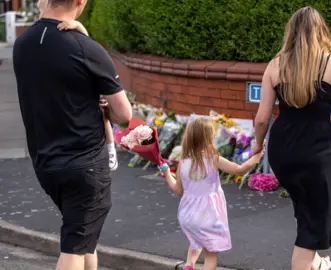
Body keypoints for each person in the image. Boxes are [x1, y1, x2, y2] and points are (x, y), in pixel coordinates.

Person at [12, 0, 132, 269]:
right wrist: (85, 39)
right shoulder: (85, 48)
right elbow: (124, 113)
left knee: (84, 237)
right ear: (80, 2)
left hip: (45, 163)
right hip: (84, 164)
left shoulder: (23, 45)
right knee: (75, 246)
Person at [252, 6, 331, 270]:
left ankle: (317, 264)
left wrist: (258, 145)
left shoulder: (275, 65)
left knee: (306, 216)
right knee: (311, 232)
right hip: (316, 153)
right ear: (321, 30)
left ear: (290, 33)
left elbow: (261, 119)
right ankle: (309, 261)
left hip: (283, 152)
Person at [159, 117, 264, 270]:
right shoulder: (213, 159)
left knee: (197, 239)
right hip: (208, 215)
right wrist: (256, 157)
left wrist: (167, 173)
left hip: (188, 216)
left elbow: (178, 190)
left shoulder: (183, 162)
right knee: (211, 254)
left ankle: (189, 265)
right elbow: (239, 169)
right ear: (208, 138)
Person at [37, 0, 119, 171]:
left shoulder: (36, 38)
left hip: (52, 154)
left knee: (101, 109)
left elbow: (87, 51)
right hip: (83, 153)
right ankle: (110, 151)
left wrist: (79, 27)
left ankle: (111, 150)